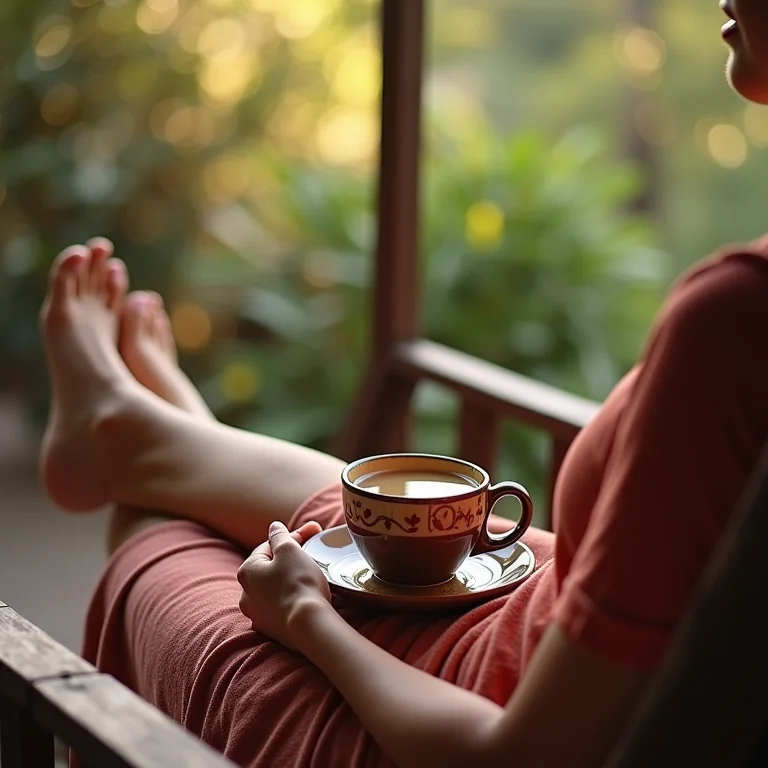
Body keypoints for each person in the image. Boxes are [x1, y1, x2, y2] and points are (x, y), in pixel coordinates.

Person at [39, 3, 768, 766]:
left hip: (462, 702)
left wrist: (304, 617)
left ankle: (144, 446)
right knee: (341, 513)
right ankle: (156, 435)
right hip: (538, 629)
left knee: (155, 527)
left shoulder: (736, 325)